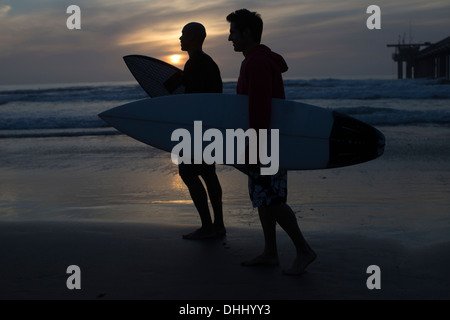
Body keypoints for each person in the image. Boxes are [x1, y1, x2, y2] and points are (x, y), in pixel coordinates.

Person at [226, 9, 316, 275]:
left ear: (247, 33)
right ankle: (270, 252)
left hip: (266, 142)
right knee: (263, 198)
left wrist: (254, 145)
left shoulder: (257, 63)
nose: (230, 38)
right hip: (264, 140)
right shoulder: (256, 60)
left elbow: (260, 108)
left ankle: (303, 250)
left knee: (273, 199)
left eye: (233, 32)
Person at [173, 22, 225, 240]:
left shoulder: (195, 63)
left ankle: (207, 226)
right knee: (207, 173)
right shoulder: (207, 62)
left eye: (184, 35)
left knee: (188, 172)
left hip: (197, 128)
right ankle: (218, 225)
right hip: (209, 126)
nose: (180, 38)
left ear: (194, 38)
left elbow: (191, 99)